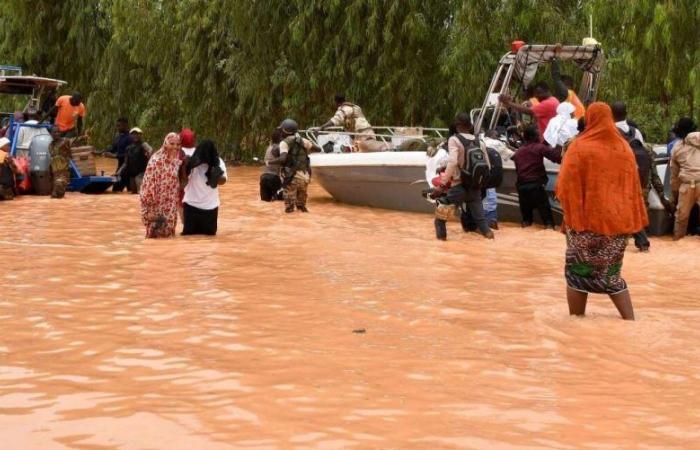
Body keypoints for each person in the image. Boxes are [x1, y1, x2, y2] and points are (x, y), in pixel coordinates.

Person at [556, 102, 648, 321]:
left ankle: (576, 322)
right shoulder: (624, 148)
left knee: (578, 272)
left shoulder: (579, 146)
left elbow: (564, 187)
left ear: (589, 119)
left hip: (584, 223)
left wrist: (571, 216)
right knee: (611, 273)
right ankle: (629, 321)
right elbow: (633, 187)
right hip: (617, 224)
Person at [612, 101, 674, 251]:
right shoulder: (636, 132)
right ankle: (642, 243)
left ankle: (618, 242)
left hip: (617, 178)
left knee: (616, 209)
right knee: (634, 209)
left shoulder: (609, 131)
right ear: (626, 113)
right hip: (638, 178)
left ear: (610, 114)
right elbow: (644, 153)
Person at [433, 113, 494, 241]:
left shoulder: (454, 140)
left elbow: (453, 162)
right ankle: (491, 241)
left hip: (458, 187)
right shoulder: (480, 142)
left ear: (458, 125)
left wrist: (442, 185)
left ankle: (441, 247)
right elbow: (487, 166)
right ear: (470, 125)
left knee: (440, 219)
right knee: (482, 223)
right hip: (475, 188)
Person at [512, 125, 562, 228]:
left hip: (521, 187)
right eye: (538, 135)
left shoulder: (518, 152)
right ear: (533, 137)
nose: (540, 137)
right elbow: (557, 158)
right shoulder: (539, 147)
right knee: (547, 220)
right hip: (536, 186)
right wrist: (559, 144)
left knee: (526, 220)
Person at [139, 133, 186, 238]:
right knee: (155, 237)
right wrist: (150, 209)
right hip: (156, 207)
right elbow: (148, 185)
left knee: (168, 238)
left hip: (170, 207)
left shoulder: (175, 162)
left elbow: (177, 184)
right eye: (172, 143)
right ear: (165, 144)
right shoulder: (156, 161)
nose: (175, 147)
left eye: (178, 144)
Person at [269, 119, 321, 213]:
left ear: (284, 131)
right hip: (305, 177)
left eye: (281, 130)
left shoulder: (284, 143)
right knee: (302, 207)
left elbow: (282, 159)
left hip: (292, 178)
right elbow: (318, 149)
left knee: (289, 209)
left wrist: (269, 162)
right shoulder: (303, 141)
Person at [182, 140, 227, 236]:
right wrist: (185, 166)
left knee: (208, 238)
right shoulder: (192, 163)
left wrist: (216, 175)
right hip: (191, 206)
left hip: (210, 207)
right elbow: (183, 180)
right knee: (189, 239)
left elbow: (223, 180)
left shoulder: (218, 163)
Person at [319, 94, 388, 152]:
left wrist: (322, 127)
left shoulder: (344, 108)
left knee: (365, 146)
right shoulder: (355, 107)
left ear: (336, 102)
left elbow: (335, 120)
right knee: (370, 145)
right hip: (367, 129)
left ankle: (385, 148)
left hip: (360, 132)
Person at [670, 130, 700, 240]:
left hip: (686, 185)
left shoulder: (677, 148)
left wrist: (674, 191)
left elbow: (674, 173)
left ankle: (678, 238)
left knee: (681, 216)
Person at [551, 53, 585, 119]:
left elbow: (556, 78)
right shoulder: (570, 96)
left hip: (576, 122)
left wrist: (555, 58)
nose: (557, 87)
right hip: (579, 122)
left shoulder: (567, 92)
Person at [119, 127, 153, 194]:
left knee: (140, 192)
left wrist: (149, 157)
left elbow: (150, 150)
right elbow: (125, 163)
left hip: (141, 173)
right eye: (133, 134)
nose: (135, 136)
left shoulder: (143, 144)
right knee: (133, 193)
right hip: (132, 175)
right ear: (131, 136)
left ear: (141, 135)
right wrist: (118, 172)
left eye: (137, 134)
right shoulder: (128, 148)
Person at [106, 118, 132, 192]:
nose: (118, 128)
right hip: (120, 167)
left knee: (119, 190)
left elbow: (130, 155)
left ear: (126, 125)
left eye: (120, 126)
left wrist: (115, 156)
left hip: (128, 169)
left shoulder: (130, 138)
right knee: (116, 190)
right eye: (117, 126)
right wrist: (101, 152)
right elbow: (112, 149)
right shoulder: (118, 138)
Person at [48, 126, 73, 199]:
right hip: (54, 174)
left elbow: (77, 140)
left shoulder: (65, 141)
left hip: (63, 174)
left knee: (58, 188)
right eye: (55, 132)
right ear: (51, 134)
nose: (57, 134)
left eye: (58, 132)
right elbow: (52, 160)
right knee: (54, 196)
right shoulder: (50, 146)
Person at [260, 128, 284, 201]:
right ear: (281, 138)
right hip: (273, 177)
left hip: (263, 177)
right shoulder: (278, 147)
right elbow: (284, 159)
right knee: (278, 200)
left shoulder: (269, 147)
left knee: (265, 201)